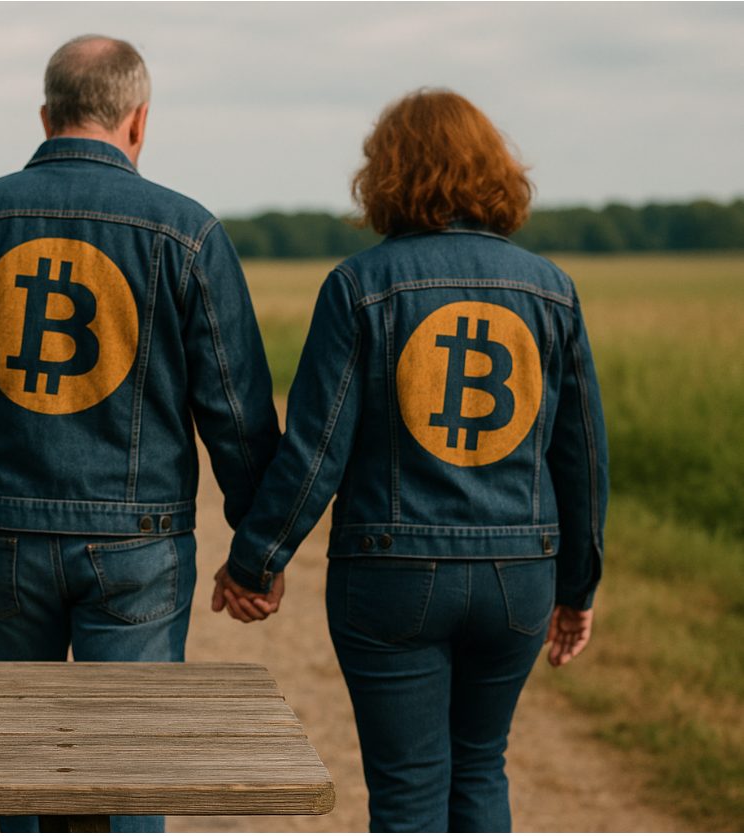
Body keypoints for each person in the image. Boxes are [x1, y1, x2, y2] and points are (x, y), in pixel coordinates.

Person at [0, 34, 279, 834]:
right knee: (128, 770)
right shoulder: (188, 231)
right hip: (141, 547)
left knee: (25, 770)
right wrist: (257, 552)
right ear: (138, 122)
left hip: (2, 539)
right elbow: (236, 415)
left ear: (46, 114)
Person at [213, 88, 608, 832]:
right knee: (482, 768)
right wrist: (578, 585)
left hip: (390, 577)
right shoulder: (552, 292)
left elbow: (316, 450)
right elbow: (581, 455)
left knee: (407, 794)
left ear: (385, 175)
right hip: (519, 576)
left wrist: (256, 561)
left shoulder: (360, 286)